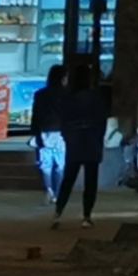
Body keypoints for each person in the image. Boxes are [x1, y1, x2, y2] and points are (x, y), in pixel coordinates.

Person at [51, 58, 113, 227]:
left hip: (75, 141)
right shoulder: (96, 97)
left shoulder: (68, 98)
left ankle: (58, 212)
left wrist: (68, 136)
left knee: (68, 178)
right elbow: (102, 120)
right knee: (90, 182)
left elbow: (63, 119)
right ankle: (86, 215)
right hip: (92, 141)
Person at [29, 62, 73, 218]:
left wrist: (36, 134)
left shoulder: (41, 95)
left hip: (45, 132)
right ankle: (58, 193)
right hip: (62, 133)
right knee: (61, 165)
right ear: (63, 78)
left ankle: (48, 190)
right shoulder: (68, 95)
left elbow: (36, 116)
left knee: (45, 165)